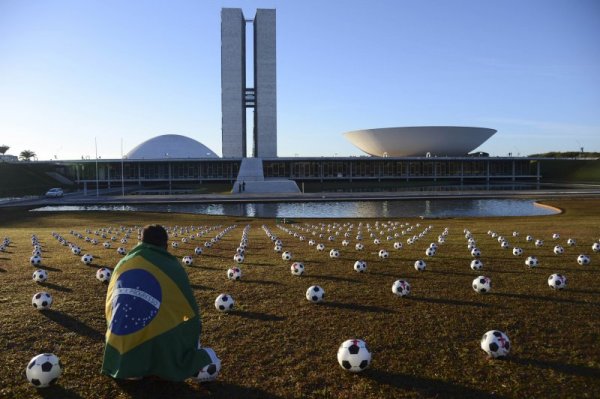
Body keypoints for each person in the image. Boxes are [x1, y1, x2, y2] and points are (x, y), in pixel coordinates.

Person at [102, 224, 219, 381]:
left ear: (140, 242)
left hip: (119, 353)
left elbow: (111, 304)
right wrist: (190, 326)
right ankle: (155, 361)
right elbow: (188, 312)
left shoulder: (122, 263)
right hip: (156, 344)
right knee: (183, 328)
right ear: (166, 245)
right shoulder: (172, 267)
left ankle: (135, 366)